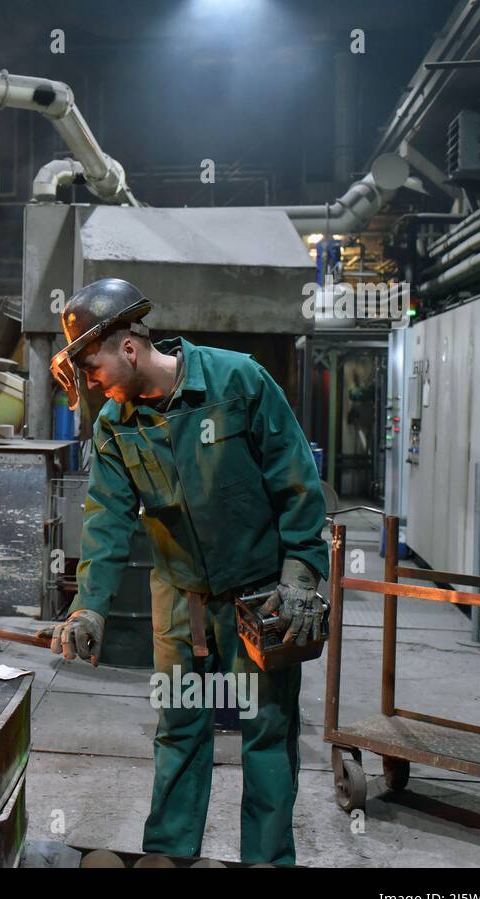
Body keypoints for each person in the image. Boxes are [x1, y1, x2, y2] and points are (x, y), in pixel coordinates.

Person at [41, 277, 327, 865]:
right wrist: (89, 602)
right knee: (180, 729)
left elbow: (295, 476)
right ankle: (167, 859)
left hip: (261, 597)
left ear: (129, 348)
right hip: (180, 602)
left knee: (267, 734)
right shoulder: (115, 424)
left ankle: (267, 861)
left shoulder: (236, 380)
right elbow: (107, 517)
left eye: (92, 366)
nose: (90, 382)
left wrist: (301, 572)